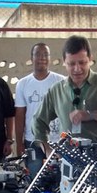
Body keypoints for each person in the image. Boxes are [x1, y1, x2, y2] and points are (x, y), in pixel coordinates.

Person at [32, 35, 97, 149]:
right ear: (64, 62)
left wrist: (91, 115)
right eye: (72, 64)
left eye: (82, 63)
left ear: (90, 59)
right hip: (67, 157)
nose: (77, 69)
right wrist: (46, 148)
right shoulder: (56, 91)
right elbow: (38, 121)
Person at [14, 42, 65, 175]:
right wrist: (19, 144)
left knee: (58, 181)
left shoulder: (61, 82)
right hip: (32, 141)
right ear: (31, 58)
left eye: (45, 55)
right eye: (38, 54)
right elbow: (20, 115)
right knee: (35, 181)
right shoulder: (23, 84)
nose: (42, 58)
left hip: (56, 141)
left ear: (49, 58)